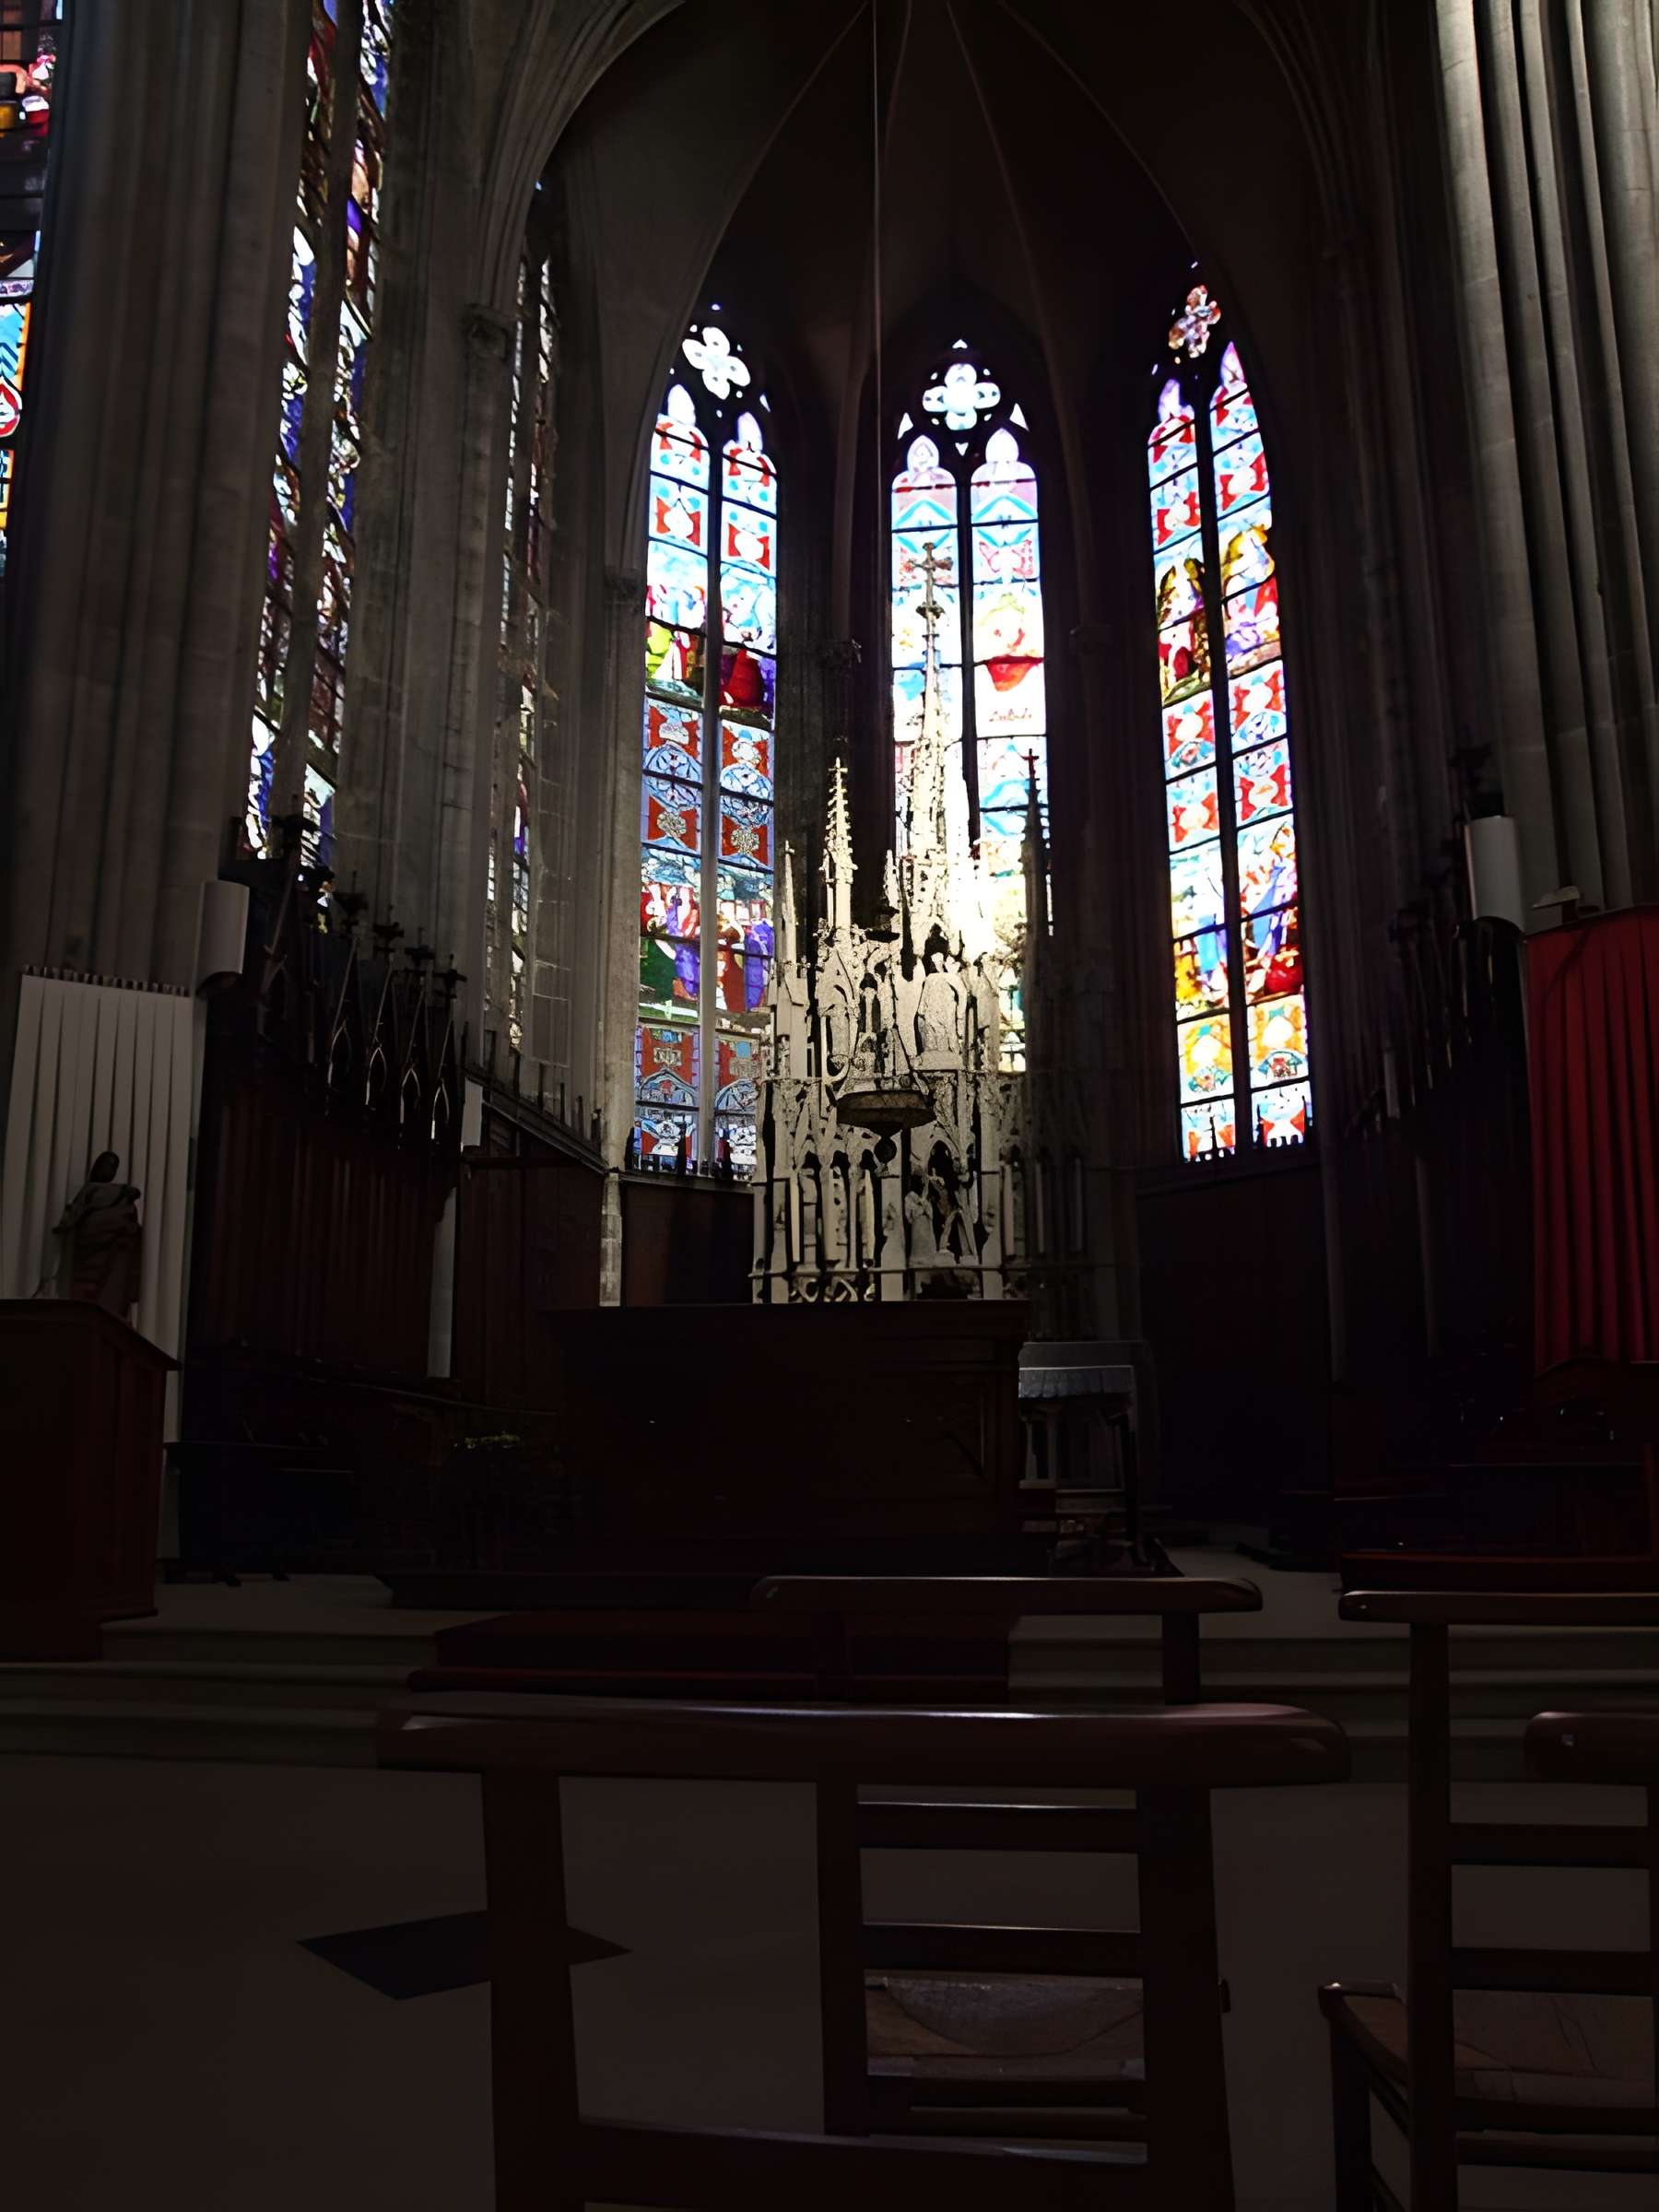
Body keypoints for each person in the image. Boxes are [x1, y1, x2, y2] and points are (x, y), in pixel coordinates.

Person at [53, 1152, 142, 1317]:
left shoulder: (118, 1195)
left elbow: (71, 1217)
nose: (108, 1170)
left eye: (112, 1167)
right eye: (106, 1165)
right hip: (94, 1258)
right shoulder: (100, 1191)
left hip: (108, 1258)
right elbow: (72, 1217)